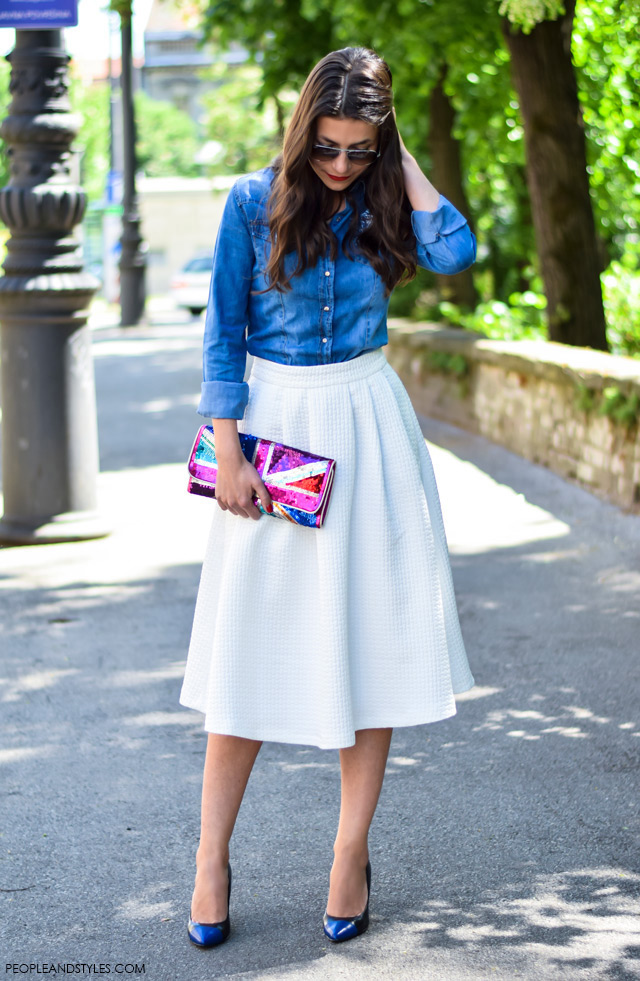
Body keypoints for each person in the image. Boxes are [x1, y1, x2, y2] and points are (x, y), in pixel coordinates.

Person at [179, 45, 476, 948]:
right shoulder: (249, 201)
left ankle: (351, 853)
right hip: (276, 428)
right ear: (302, 130)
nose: (342, 166)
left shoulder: (385, 193)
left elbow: (455, 251)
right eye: (329, 148)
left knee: (373, 638)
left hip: (369, 423)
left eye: (360, 149)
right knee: (249, 646)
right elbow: (222, 335)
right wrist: (228, 452)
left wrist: (400, 156)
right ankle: (210, 858)